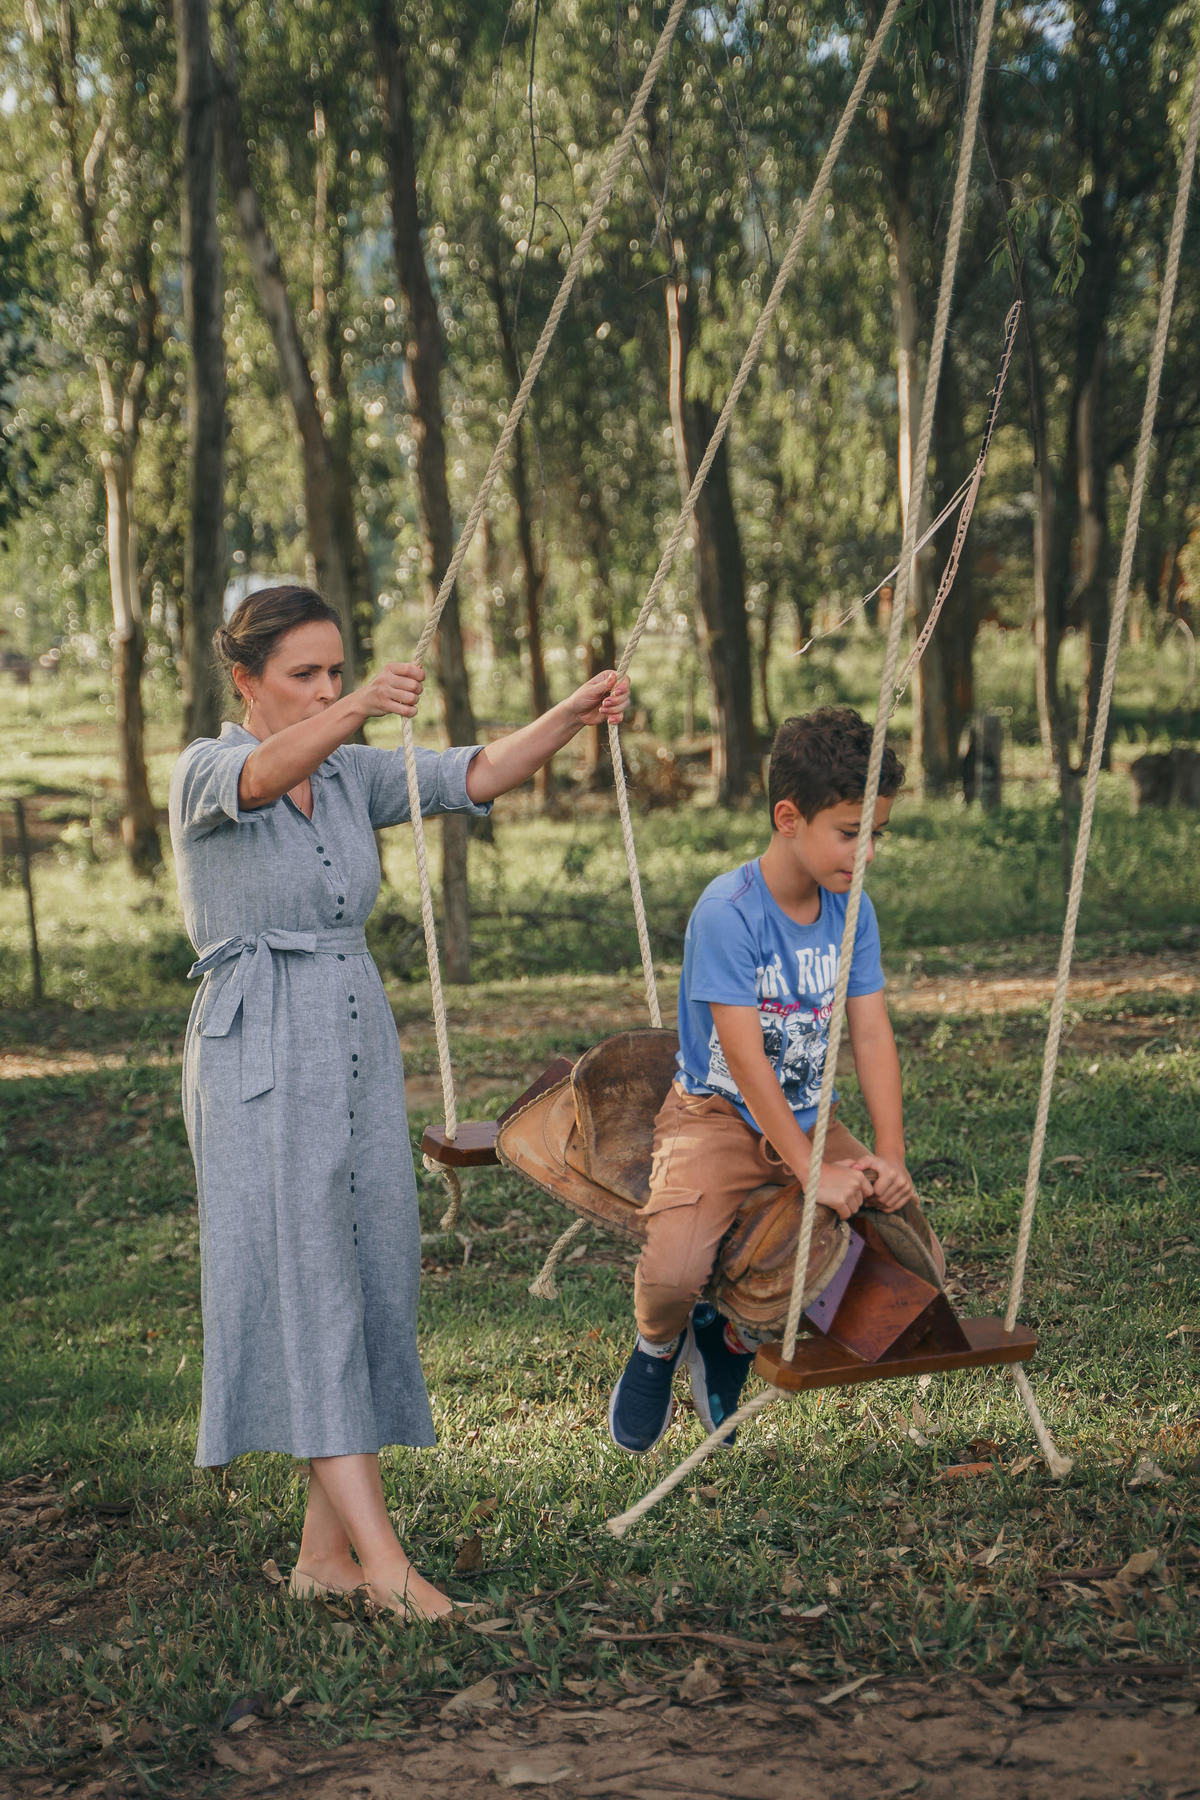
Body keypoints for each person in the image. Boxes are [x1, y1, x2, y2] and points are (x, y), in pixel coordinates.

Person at [169, 583, 629, 1616]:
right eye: (306, 675)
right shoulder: (206, 768)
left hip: (354, 1043)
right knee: (304, 1288)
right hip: (257, 1058)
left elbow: (479, 771)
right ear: (246, 680)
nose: (327, 692)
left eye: (338, 671)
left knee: (372, 1280)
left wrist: (572, 710)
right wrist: (360, 707)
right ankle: (385, 1568)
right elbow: (257, 774)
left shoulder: (345, 773)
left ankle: (322, 1559)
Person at [608, 705, 943, 1454]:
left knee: (914, 1262)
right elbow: (747, 1062)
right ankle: (660, 1347)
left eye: (876, 834)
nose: (865, 854)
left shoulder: (853, 911)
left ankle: (726, 1336)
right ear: (787, 817)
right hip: (717, 1115)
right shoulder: (728, 914)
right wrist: (813, 1169)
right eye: (850, 832)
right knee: (673, 1272)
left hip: (808, 1113)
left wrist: (888, 1153)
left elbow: (871, 1031)